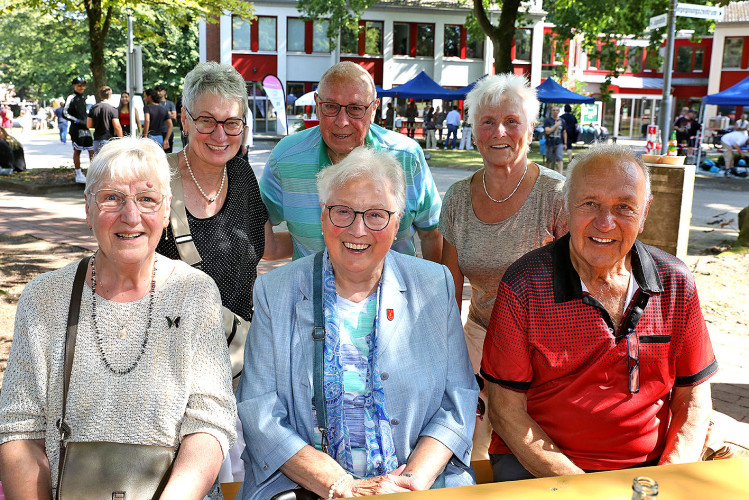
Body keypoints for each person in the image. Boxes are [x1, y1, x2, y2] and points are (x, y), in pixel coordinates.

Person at [0, 137, 237, 498]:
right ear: (87, 207)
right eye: (111, 198)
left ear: (166, 209)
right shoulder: (44, 297)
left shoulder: (195, 293)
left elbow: (210, 420)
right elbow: (19, 429)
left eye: (146, 199)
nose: (130, 216)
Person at [237, 146, 478, 499]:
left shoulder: (433, 285)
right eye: (343, 212)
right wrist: (341, 486)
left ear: (397, 224)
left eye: (377, 215)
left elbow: (458, 400)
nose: (358, 229)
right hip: (302, 486)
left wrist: (408, 483)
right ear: (323, 217)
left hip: (415, 482)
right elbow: (260, 411)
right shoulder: (276, 291)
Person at [481, 143, 717, 482]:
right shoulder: (524, 285)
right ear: (566, 208)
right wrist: (583, 487)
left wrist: (667, 478)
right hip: (539, 465)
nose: (605, 223)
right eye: (589, 203)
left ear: (645, 212)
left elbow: (694, 398)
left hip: (648, 468)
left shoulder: (675, 282)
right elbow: (505, 411)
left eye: (624, 207)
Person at [156, 61, 292, 483]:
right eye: (207, 121)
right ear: (184, 118)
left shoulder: (242, 173)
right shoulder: (155, 180)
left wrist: (338, 244)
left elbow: (266, 246)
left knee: (238, 479)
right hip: (172, 374)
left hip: (236, 361)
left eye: (233, 123)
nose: (221, 135)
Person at [439, 73, 567, 461]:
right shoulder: (459, 196)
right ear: (474, 130)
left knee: (536, 450)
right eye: (488, 121)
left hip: (543, 344)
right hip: (479, 335)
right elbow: (449, 288)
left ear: (530, 129)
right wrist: (452, 360)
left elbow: (575, 287)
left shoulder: (557, 194)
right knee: (470, 449)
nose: (500, 131)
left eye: (512, 121)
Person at [260, 61, 443, 262]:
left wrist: (432, 290)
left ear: (374, 109)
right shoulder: (286, 158)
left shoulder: (407, 156)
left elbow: (431, 234)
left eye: (355, 108)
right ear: (318, 106)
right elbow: (264, 238)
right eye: (331, 107)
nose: (342, 121)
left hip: (397, 291)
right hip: (313, 292)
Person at [63, 76, 93, 184]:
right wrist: (77, 121)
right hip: (76, 128)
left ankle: (93, 173)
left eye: (83, 85)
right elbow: (65, 113)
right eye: (79, 85)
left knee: (91, 150)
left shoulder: (83, 98)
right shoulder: (71, 97)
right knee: (77, 150)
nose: (82, 87)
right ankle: (79, 174)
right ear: (74, 86)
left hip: (86, 128)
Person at [87, 86, 123, 154]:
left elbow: (89, 125)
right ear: (110, 95)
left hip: (96, 140)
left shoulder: (93, 108)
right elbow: (117, 126)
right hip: (108, 140)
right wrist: (121, 139)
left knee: (97, 161)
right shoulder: (113, 109)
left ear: (100, 94)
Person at [544, 105, 566, 173]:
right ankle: (548, 173)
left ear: (559, 111)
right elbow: (547, 131)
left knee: (559, 158)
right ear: (551, 111)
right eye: (554, 110)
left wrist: (565, 143)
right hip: (550, 142)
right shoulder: (548, 120)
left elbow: (564, 132)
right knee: (549, 159)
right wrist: (556, 125)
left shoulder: (562, 121)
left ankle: (561, 174)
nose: (555, 111)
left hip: (559, 142)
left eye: (557, 110)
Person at [155, 84, 177, 153]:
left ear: (164, 92)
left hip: (168, 131)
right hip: (157, 132)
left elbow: (174, 116)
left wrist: (162, 114)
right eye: (156, 91)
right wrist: (168, 113)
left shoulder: (170, 103)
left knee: (168, 153)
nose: (158, 93)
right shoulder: (155, 103)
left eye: (160, 91)